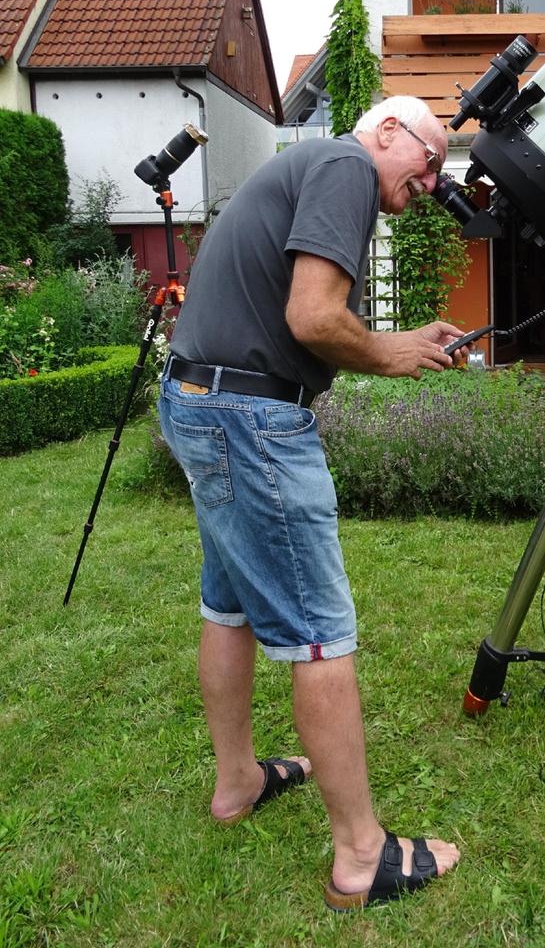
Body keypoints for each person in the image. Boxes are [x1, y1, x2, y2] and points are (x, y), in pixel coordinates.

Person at [158, 96, 464, 909]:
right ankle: (362, 856)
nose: (432, 180)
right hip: (250, 418)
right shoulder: (346, 164)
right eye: (430, 158)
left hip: (199, 400)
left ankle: (238, 784)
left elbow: (299, 313)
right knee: (320, 633)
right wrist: (393, 354)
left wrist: (401, 341)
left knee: (228, 606)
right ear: (388, 131)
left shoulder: (316, 168)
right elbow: (315, 316)